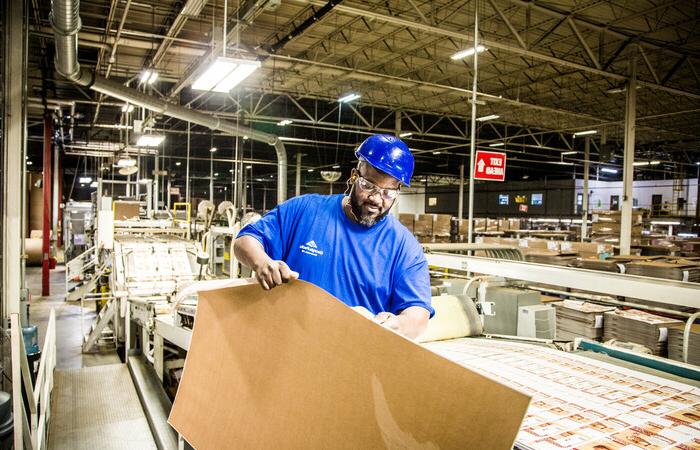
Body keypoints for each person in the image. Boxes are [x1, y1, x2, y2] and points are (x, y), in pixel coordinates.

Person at [233, 134, 433, 339]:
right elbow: (245, 240)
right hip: (287, 345)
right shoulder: (304, 210)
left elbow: (418, 313)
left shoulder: (404, 246)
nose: (375, 198)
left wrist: (399, 324)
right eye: (368, 186)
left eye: (387, 193)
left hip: (352, 356)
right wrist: (262, 262)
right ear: (354, 176)